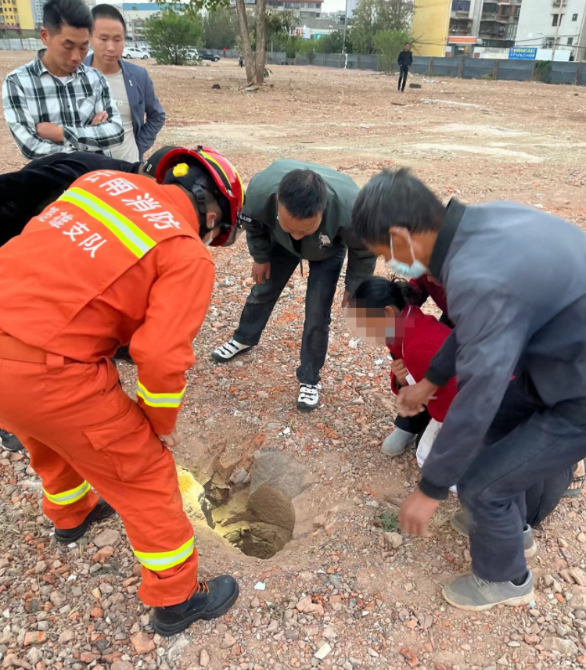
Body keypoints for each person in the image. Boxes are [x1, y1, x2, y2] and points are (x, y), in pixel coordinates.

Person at [0, 146, 244, 635]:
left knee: (43, 436)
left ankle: (71, 514)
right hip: (52, 369)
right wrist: (155, 426)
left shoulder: (98, 185)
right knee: (146, 475)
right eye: (216, 233)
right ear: (213, 216)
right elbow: (159, 354)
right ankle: (176, 599)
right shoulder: (185, 250)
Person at [352, 167, 586, 611]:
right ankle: (512, 533)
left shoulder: (475, 275)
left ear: (402, 234)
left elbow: (479, 396)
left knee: (479, 484)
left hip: (576, 388)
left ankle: (506, 579)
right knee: (493, 434)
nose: (391, 265)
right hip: (559, 357)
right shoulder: (485, 225)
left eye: (387, 252)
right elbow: (473, 327)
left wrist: (431, 488)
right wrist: (432, 382)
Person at [349, 275, 574, 545]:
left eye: (363, 323)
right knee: (430, 454)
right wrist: (403, 380)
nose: (360, 332)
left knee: (452, 467)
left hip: (494, 409)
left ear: (387, 312)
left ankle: (515, 524)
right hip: (492, 398)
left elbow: (460, 406)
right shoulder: (406, 326)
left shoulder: (418, 344)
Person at [211, 160, 376, 410]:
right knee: (263, 289)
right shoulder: (259, 192)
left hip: (327, 249)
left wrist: (356, 286)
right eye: (292, 227)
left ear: (324, 210)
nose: (298, 234)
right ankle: (244, 338)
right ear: (277, 201)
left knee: (317, 315)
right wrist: (260, 257)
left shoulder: (352, 210)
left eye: (306, 229)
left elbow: (364, 251)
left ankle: (309, 379)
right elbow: (253, 225)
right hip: (279, 242)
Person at [2, 0, 123, 161]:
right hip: (50, 181)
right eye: (68, 46)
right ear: (45, 36)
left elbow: (116, 132)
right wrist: (91, 141)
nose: (76, 57)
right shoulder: (17, 83)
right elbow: (31, 147)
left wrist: (61, 134)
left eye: (83, 47)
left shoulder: (95, 78)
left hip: (94, 180)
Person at [85, 4, 165, 162]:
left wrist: (138, 146)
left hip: (130, 172)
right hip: (89, 174)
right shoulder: (72, 77)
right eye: (103, 38)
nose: (111, 47)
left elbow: (157, 116)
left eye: (117, 39)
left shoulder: (138, 76)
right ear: (89, 38)